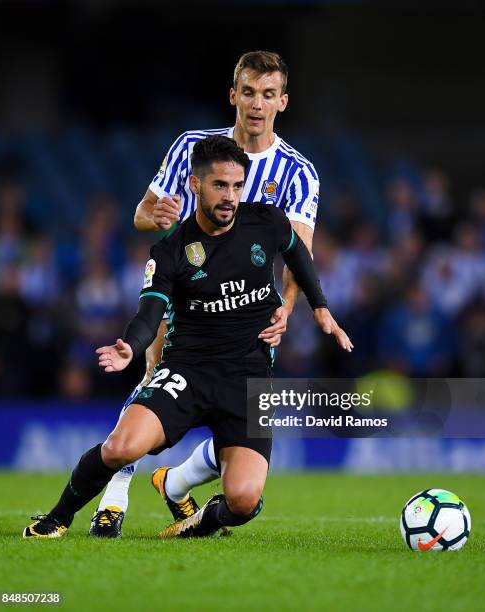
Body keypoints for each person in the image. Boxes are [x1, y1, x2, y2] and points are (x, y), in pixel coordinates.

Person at [23, 136, 351, 539]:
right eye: (219, 186)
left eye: (236, 186)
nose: (230, 196)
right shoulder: (171, 251)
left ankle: (194, 524)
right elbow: (150, 313)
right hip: (187, 372)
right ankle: (57, 518)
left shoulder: (266, 221)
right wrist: (132, 345)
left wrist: (319, 306)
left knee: (244, 500)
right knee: (119, 448)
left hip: (247, 379)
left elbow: (297, 252)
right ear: (195, 185)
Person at [91, 50, 321, 537]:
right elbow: (142, 213)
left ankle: (175, 484)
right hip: (185, 296)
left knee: (240, 423)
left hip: (247, 318)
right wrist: (152, 217)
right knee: (153, 385)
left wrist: (286, 309)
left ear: (282, 102)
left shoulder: (299, 173)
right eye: (249, 93)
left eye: (268, 94)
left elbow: (299, 255)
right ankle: (114, 495)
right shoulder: (192, 147)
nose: (257, 105)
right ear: (233, 95)